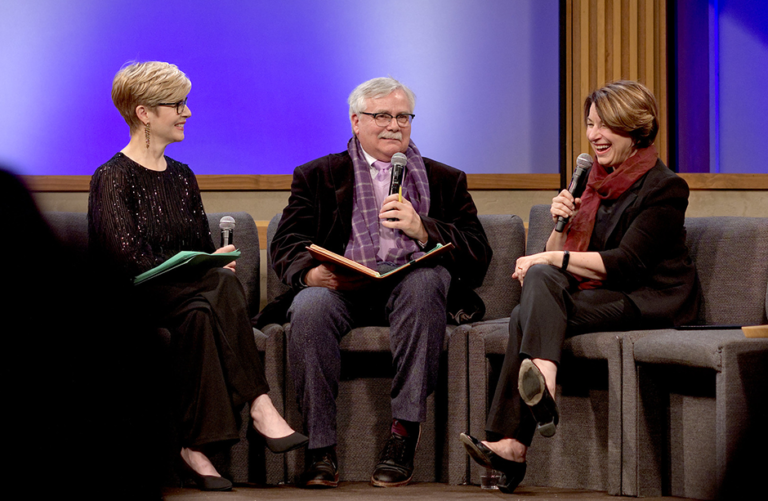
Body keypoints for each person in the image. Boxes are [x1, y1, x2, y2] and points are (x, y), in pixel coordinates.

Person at [461, 80, 700, 493]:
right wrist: (560, 228)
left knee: (525, 310)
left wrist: (547, 258)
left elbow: (627, 264)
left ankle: (519, 435)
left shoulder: (665, 187)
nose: (594, 135)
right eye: (591, 124)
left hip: (651, 298)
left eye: (606, 125)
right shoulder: (590, 183)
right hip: (601, 293)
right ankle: (529, 415)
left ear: (636, 129)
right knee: (534, 292)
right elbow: (556, 258)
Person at [261, 77, 492, 488]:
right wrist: (309, 273)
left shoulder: (445, 179)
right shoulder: (318, 175)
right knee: (310, 306)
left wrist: (423, 229)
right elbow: (286, 241)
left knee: (425, 284)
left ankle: (404, 434)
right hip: (344, 288)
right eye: (381, 115)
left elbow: (477, 252)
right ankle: (320, 448)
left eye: (403, 116)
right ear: (356, 121)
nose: (394, 125)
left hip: (410, 288)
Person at [88, 61, 307, 492]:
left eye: (185, 102)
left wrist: (210, 259)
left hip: (185, 298)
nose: (187, 112)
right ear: (144, 113)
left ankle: (193, 449)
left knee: (202, 312)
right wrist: (196, 266)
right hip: (133, 296)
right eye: (177, 104)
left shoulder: (183, 176)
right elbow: (127, 259)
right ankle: (260, 404)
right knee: (217, 288)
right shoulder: (111, 178)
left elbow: (195, 243)